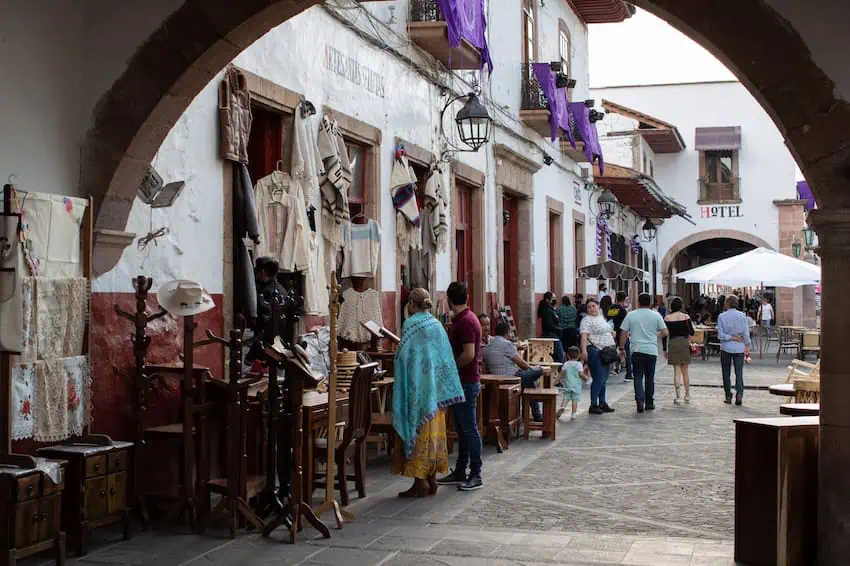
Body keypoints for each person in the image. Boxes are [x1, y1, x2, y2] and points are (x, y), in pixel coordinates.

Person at [392, 289, 465, 497]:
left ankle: (420, 481)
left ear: (411, 306)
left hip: (419, 391)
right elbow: (445, 358)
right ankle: (432, 478)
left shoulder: (411, 325)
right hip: (436, 393)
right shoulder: (437, 325)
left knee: (418, 431)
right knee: (434, 436)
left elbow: (404, 358)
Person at [438, 282, 484, 491]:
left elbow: (469, 354)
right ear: (467, 297)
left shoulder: (465, 322)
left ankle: (476, 473)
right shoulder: (465, 318)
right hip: (463, 381)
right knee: (462, 429)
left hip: (466, 381)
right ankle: (460, 470)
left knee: (469, 428)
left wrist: (451, 368)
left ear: (449, 300)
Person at [483, 322, 545, 421]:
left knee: (529, 382)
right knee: (538, 371)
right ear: (507, 332)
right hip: (512, 377)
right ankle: (537, 415)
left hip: (496, 377)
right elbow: (522, 364)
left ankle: (537, 414)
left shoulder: (489, 345)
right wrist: (534, 369)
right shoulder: (506, 344)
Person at [620, 293, 668, 413]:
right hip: (651, 350)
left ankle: (639, 401)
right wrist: (656, 335)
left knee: (638, 376)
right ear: (650, 302)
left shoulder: (631, 315)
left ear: (638, 302)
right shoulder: (656, 315)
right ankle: (650, 402)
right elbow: (665, 332)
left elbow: (623, 333)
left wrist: (621, 347)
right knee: (650, 377)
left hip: (637, 350)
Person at [580, 298, 616, 415]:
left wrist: (612, 333)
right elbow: (584, 336)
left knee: (604, 378)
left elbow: (606, 329)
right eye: (589, 307)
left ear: (598, 306)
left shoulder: (601, 317)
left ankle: (602, 402)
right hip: (595, 351)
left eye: (593, 306)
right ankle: (593, 404)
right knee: (598, 378)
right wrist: (584, 351)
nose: (591, 309)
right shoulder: (586, 320)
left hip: (606, 350)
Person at [717, 295, 751, 405]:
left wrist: (730, 337)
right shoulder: (742, 316)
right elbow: (746, 333)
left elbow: (721, 335)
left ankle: (728, 394)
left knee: (726, 372)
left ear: (727, 304)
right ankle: (739, 393)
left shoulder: (722, 316)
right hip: (739, 347)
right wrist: (747, 345)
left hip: (726, 347)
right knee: (739, 372)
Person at [664, 297, 695, 404]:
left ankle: (677, 396)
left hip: (673, 343)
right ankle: (687, 395)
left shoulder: (667, 318)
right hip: (684, 343)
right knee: (685, 372)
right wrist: (689, 342)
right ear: (681, 306)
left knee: (676, 371)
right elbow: (691, 332)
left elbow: (664, 335)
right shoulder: (686, 317)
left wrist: (665, 349)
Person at [606, 292, 632, 381]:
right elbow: (626, 323)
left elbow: (608, 320)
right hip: (622, 333)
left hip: (611, 333)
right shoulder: (622, 310)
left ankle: (610, 370)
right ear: (624, 299)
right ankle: (629, 373)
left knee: (610, 352)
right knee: (626, 353)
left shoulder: (610, 308)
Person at [558, 346, 586, 421]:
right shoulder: (579, 364)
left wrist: (556, 381)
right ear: (579, 355)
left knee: (566, 397)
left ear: (567, 355)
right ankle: (573, 414)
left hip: (567, 384)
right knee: (574, 400)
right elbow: (581, 374)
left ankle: (562, 407)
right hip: (576, 386)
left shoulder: (566, 364)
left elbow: (561, 374)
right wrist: (586, 378)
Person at [537, 291, 565, 363]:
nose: (554, 300)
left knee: (556, 356)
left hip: (554, 335)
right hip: (551, 335)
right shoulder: (547, 311)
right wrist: (559, 330)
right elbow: (549, 325)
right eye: (553, 298)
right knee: (560, 357)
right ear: (547, 300)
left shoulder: (551, 309)